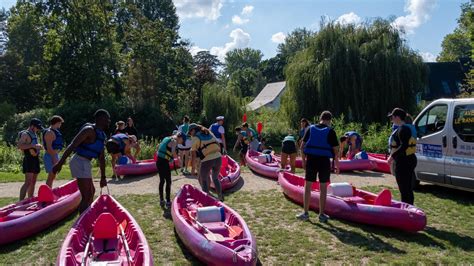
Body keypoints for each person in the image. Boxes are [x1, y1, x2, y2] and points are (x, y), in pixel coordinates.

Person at [53, 109, 110, 214]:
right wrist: (59, 163)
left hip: (86, 163)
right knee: (86, 195)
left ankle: (88, 216)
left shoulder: (101, 135)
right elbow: (72, 145)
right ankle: (82, 223)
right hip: (79, 161)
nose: (109, 121)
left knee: (91, 192)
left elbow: (101, 158)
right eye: (107, 119)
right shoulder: (89, 130)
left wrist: (103, 177)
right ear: (101, 119)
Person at [297, 111, 339, 223]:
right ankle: (321, 214)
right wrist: (337, 166)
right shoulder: (331, 131)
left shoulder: (310, 129)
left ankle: (305, 213)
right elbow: (336, 151)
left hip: (311, 160)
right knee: (323, 188)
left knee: (308, 186)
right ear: (329, 120)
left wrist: (303, 161)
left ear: (320, 118)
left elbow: (302, 147)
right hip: (324, 161)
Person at [387, 108, 417, 205]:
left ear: (397, 117)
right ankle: (409, 208)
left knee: (404, 189)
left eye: (392, 117)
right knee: (407, 188)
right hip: (410, 159)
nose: (392, 119)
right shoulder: (408, 127)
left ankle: (407, 210)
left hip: (404, 162)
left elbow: (404, 146)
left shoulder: (403, 129)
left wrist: (392, 156)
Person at [189, 123, 224, 201]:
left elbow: (193, 154)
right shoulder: (209, 132)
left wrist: (193, 168)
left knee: (203, 179)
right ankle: (220, 196)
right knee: (215, 178)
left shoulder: (195, 138)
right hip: (218, 158)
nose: (190, 134)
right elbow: (218, 143)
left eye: (190, 132)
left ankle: (206, 200)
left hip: (207, 160)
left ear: (193, 130)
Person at [156, 131, 185, 207]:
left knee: (162, 180)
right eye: (182, 141)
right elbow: (173, 152)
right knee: (168, 181)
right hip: (164, 162)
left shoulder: (166, 138)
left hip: (159, 161)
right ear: (180, 137)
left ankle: (161, 200)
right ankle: (168, 201)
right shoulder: (174, 141)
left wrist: (170, 157)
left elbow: (158, 147)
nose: (181, 143)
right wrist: (178, 159)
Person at [17, 118, 44, 200]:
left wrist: (39, 147)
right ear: (32, 126)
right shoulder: (25, 134)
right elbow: (20, 146)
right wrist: (33, 146)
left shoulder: (34, 133)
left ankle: (30, 199)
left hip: (35, 159)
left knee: (33, 182)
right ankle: (20, 202)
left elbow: (33, 145)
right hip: (29, 160)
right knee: (28, 182)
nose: (38, 129)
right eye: (37, 127)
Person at [43, 115, 65, 188]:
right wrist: (54, 158)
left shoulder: (55, 131)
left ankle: (49, 191)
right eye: (60, 123)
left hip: (54, 155)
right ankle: (47, 193)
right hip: (50, 156)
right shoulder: (49, 132)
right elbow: (49, 148)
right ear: (57, 122)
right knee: (51, 175)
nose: (60, 124)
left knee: (53, 175)